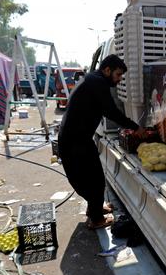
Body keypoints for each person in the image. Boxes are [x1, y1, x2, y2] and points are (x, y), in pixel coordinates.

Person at [58, 52, 145, 229]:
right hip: (75, 140)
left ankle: (94, 209)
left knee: (90, 176)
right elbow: (111, 112)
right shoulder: (97, 83)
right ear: (107, 70)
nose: (120, 79)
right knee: (95, 178)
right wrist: (136, 128)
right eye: (118, 74)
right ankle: (96, 219)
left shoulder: (93, 79)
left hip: (75, 138)